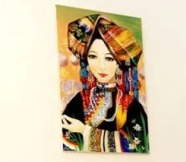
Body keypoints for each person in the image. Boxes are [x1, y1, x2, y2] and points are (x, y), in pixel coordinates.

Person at [61, 14, 148, 153]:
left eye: (109, 58)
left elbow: (139, 147)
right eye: (93, 56)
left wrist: (85, 131)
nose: (101, 66)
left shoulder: (131, 106)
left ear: (119, 62)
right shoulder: (79, 101)